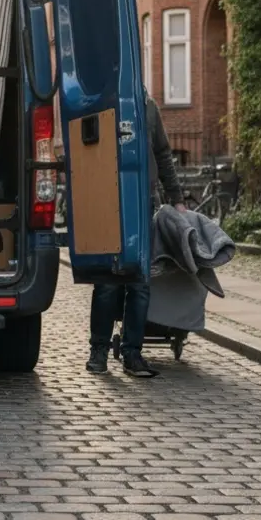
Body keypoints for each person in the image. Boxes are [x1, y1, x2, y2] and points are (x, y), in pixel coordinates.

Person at [86, 93, 185, 378]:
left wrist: (176, 197)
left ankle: (132, 353)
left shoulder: (148, 106)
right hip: (108, 199)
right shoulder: (100, 100)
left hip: (143, 202)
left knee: (140, 282)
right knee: (107, 281)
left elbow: (163, 153)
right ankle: (99, 350)